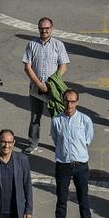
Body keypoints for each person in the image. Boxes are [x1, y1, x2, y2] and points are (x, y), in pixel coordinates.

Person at [47, 89, 94, 218]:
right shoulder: (56, 120)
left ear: (77, 102)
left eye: (73, 101)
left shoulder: (85, 120)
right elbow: (55, 138)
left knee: (83, 198)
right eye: (67, 100)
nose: (69, 104)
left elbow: (88, 138)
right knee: (61, 198)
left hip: (81, 164)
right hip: (63, 164)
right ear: (62, 100)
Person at [21, 16, 69, 154]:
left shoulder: (58, 45)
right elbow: (27, 67)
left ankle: (59, 144)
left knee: (57, 117)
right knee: (35, 116)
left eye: (47, 28)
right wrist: (39, 84)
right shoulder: (32, 44)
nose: (44, 31)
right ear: (38, 29)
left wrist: (53, 82)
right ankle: (33, 143)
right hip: (36, 89)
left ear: (51, 29)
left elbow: (63, 66)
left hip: (53, 89)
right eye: (42, 28)